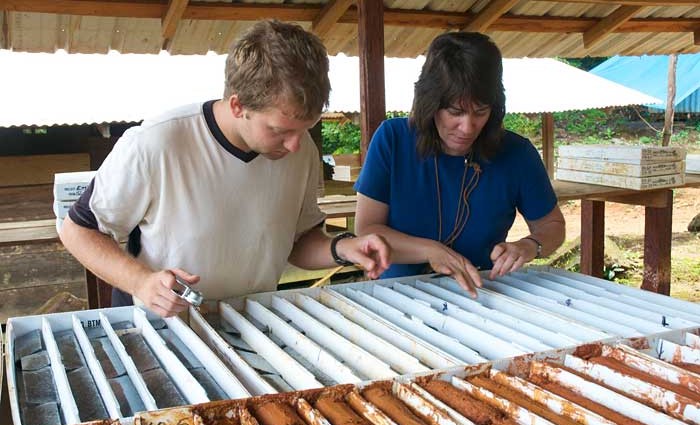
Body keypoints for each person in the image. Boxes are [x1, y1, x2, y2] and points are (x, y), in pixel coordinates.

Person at [60, 20, 390, 318]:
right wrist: (142, 282)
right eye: (279, 130)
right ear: (237, 105)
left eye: (304, 129)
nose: (294, 145)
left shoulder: (301, 151)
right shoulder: (157, 142)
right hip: (160, 327)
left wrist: (342, 248)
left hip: (251, 323)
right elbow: (77, 231)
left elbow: (299, 240)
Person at [354, 32, 565, 297]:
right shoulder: (392, 139)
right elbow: (366, 230)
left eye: (480, 112)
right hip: (397, 295)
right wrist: (431, 250)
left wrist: (530, 245)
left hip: (480, 292)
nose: (468, 128)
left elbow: (553, 226)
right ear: (430, 104)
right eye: (455, 112)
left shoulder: (517, 152)